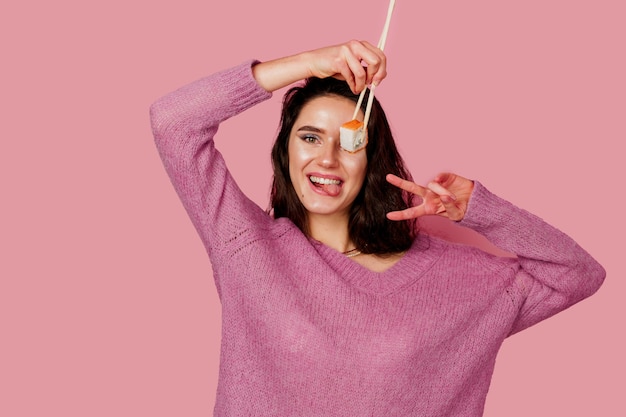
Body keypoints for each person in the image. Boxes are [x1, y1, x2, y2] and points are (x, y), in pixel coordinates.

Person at [150, 41, 605, 416]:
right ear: (284, 152)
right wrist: (308, 64)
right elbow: (173, 123)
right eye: (309, 137)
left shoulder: (461, 277)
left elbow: (577, 274)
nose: (326, 158)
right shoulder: (246, 245)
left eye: (350, 141)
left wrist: (480, 211)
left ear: (371, 162)